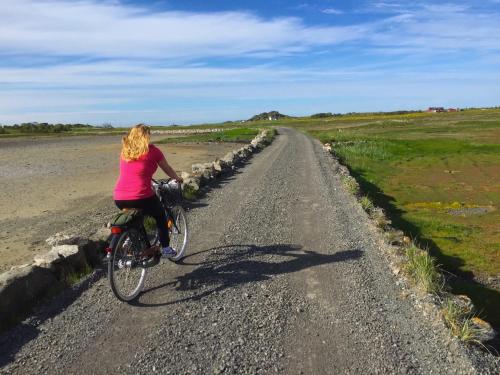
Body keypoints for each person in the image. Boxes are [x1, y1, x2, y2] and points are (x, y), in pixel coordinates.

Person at [113, 124, 183, 258]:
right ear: (146, 136)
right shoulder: (153, 151)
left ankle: (133, 241)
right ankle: (167, 249)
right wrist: (177, 178)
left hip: (119, 196)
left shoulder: (125, 151)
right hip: (141, 195)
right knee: (160, 216)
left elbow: (133, 172)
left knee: (136, 220)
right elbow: (166, 168)